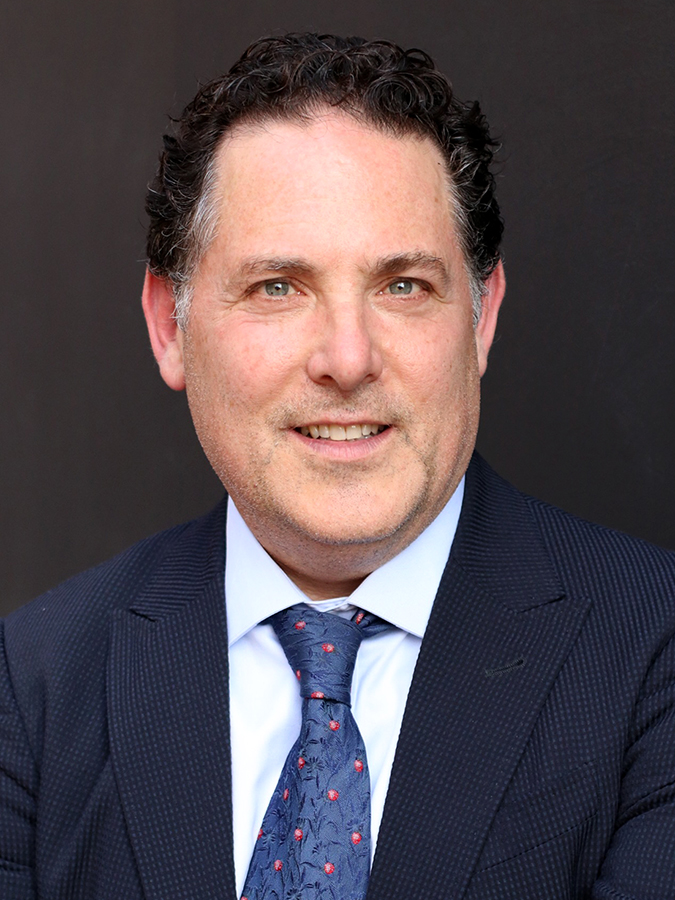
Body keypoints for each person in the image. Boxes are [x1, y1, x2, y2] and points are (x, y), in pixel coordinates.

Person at [1, 32, 674, 900]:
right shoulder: (31, 685)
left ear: (480, 318)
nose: (347, 360)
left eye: (403, 286)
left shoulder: (653, 656)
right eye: (278, 286)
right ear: (171, 326)